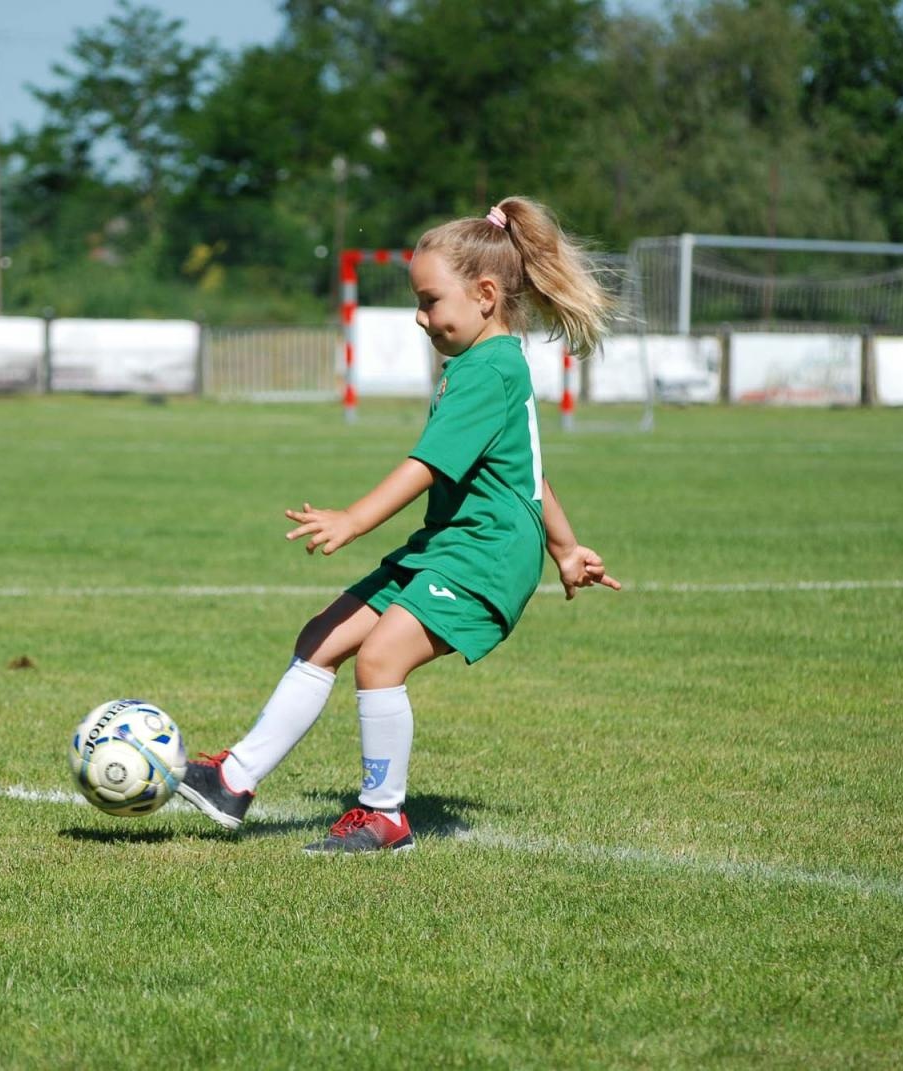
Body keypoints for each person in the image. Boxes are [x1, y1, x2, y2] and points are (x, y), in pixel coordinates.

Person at [178, 197, 622, 855]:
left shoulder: (489, 368)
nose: (420, 317)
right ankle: (233, 780)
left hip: (485, 554)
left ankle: (383, 816)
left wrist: (354, 519)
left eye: (430, 300)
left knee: (381, 656)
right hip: (452, 544)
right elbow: (530, 470)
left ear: (485, 294)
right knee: (323, 635)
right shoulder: (480, 363)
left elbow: (427, 464)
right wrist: (565, 547)